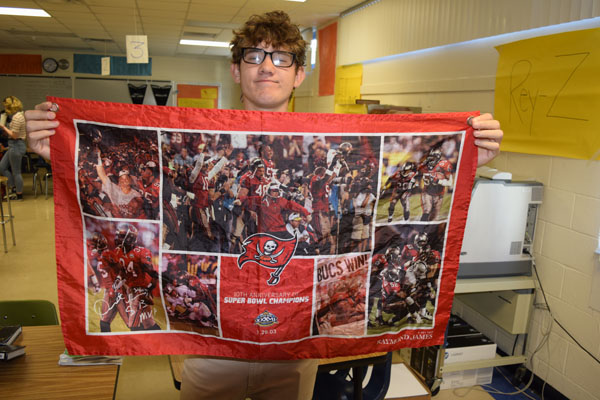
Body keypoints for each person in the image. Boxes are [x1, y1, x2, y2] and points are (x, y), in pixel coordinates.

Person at [25, 10, 503, 400]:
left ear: (299, 73)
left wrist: (468, 159)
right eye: (255, 55)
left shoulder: (338, 137)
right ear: (237, 69)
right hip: (212, 350)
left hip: (294, 349)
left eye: (281, 57)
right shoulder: (196, 135)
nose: (267, 65)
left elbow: (395, 202)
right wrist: (61, 152)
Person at [0, 96, 27, 200]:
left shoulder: (17, 117)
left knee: (16, 171)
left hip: (16, 145)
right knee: (2, 167)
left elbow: (14, 135)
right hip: (13, 145)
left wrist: (3, 127)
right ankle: (13, 187)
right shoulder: (18, 115)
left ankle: (19, 194)